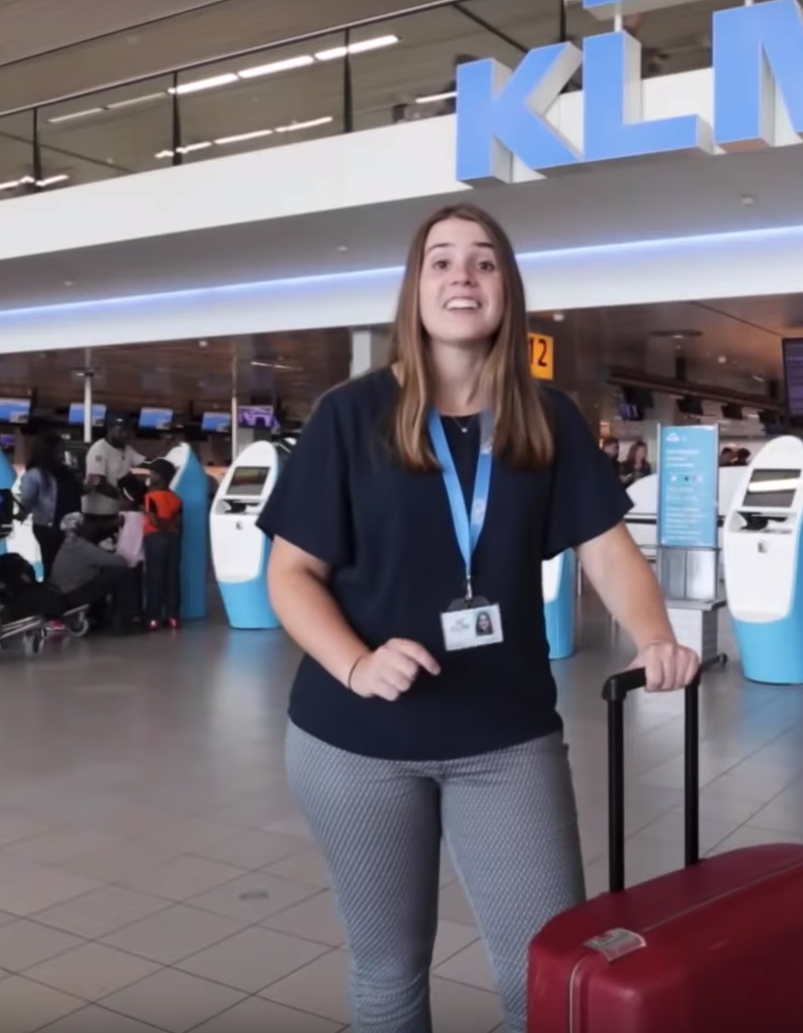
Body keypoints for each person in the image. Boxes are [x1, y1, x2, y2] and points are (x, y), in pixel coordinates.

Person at [257, 202, 700, 1033]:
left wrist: (655, 638)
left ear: (509, 289)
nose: (464, 275)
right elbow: (290, 572)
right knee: (388, 973)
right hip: (355, 742)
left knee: (547, 971)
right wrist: (355, 661)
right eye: (442, 260)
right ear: (414, 289)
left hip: (505, 739)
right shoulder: (350, 417)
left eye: (485, 261)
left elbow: (607, 551)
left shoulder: (547, 417)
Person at [141, 458, 183, 630]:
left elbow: (153, 520)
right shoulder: (176, 498)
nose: (150, 475)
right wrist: (169, 526)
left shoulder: (150, 496)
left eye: (153, 473)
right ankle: (173, 617)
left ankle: (154, 618)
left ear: (161, 476)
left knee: (154, 577)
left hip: (155, 539)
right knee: (172, 577)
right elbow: (179, 522)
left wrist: (161, 526)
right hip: (173, 539)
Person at [84, 419, 144, 518]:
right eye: (122, 430)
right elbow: (96, 481)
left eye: (128, 431)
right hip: (97, 513)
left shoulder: (127, 449)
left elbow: (144, 464)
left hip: (117, 511)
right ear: (110, 429)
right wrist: (121, 498)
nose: (125, 434)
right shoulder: (98, 449)